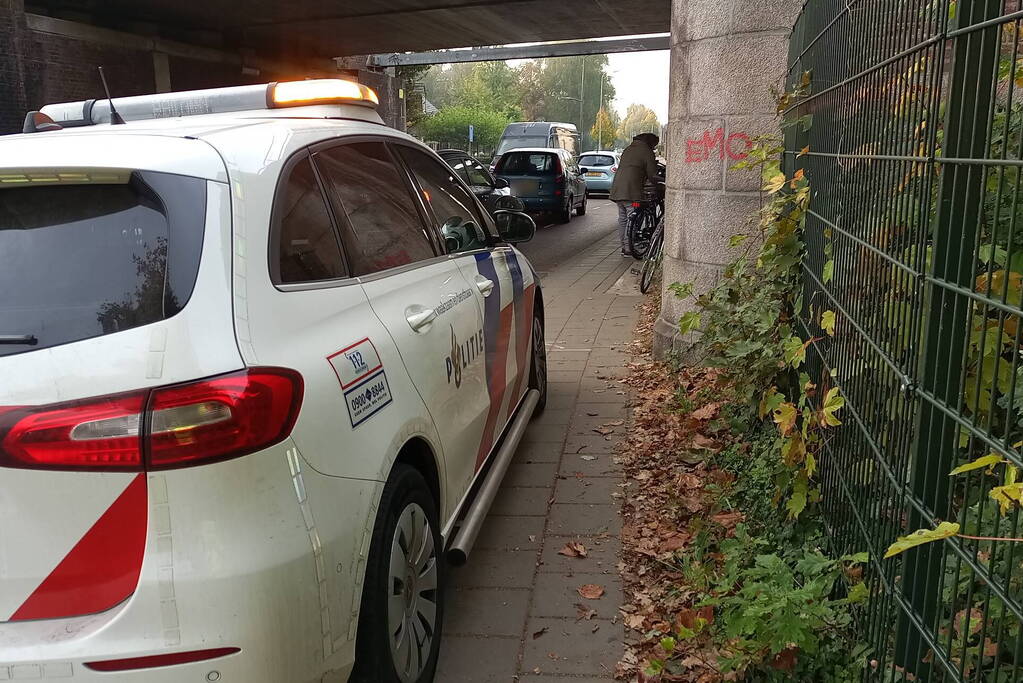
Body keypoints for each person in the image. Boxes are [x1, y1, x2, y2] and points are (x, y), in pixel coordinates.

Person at [610, 132, 662, 256]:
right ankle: (629, 248)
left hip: (618, 190)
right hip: (631, 193)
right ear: (650, 143)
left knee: (622, 218)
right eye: (654, 145)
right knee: (632, 214)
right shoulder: (646, 151)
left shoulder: (628, 149)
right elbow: (652, 174)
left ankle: (624, 246)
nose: (654, 148)